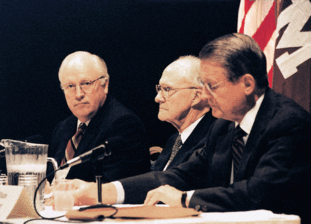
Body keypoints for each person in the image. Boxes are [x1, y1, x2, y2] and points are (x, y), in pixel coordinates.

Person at [48, 34, 311, 223]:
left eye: (213, 86)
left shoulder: (288, 123)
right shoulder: (223, 127)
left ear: (247, 84)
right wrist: (95, 193)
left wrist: (184, 199)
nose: (205, 96)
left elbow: (256, 194)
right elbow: (176, 176)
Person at [46, 51, 150, 183]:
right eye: (70, 86)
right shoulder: (63, 128)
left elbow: (111, 188)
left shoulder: (123, 125)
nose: (78, 94)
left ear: (105, 84)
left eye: (86, 84)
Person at [152, 56, 216, 171]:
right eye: (159, 89)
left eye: (167, 89)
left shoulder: (212, 140)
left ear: (196, 96)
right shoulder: (174, 139)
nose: (157, 98)